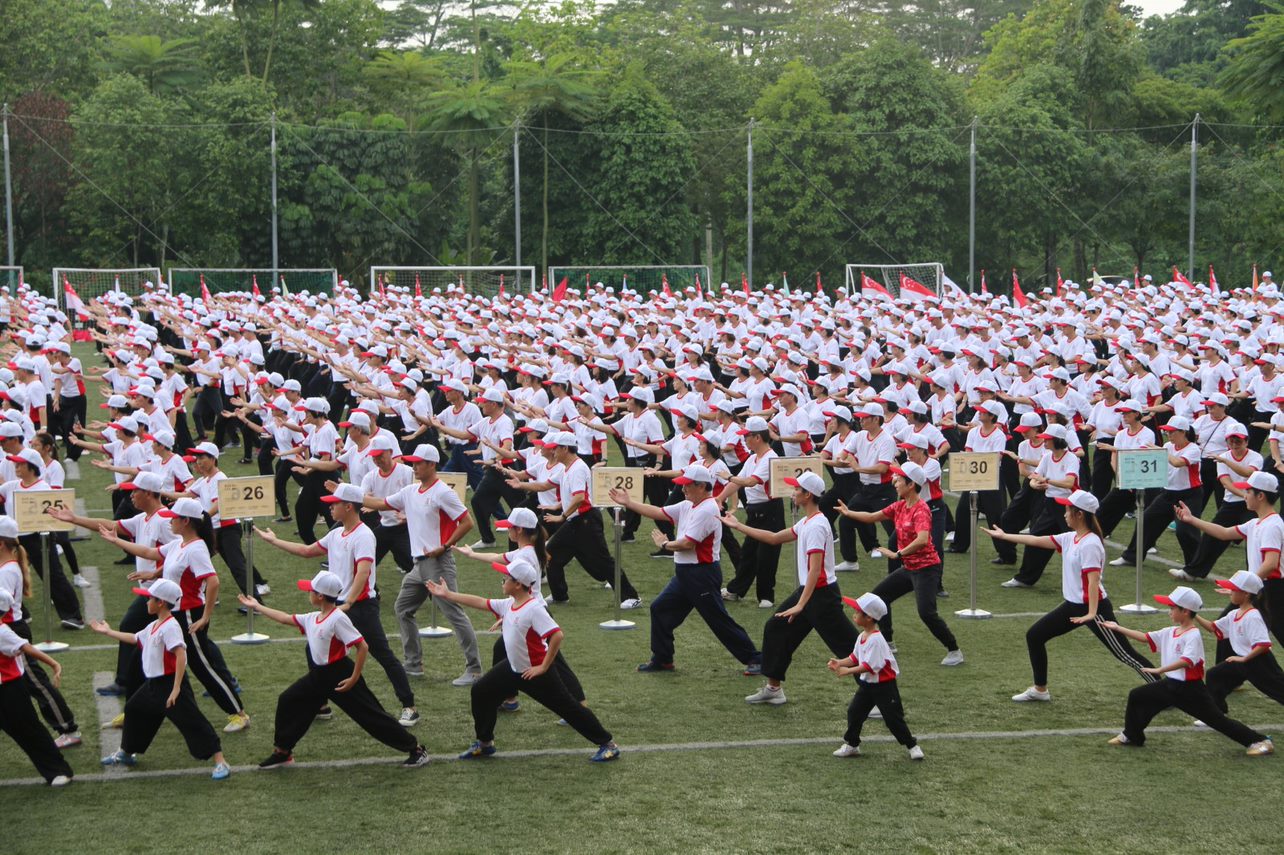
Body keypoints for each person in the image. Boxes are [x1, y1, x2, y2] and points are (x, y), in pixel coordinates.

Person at [255, 482, 419, 727]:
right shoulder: (335, 534)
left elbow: (363, 572)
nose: (330, 507)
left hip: (361, 607)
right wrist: (274, 541)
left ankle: (408, 705)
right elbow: (306, 551)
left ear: (349, 507)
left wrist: (348, 603)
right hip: (340, 604)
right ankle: (321, 704)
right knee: (314, 649)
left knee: (382, 654)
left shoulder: (364, 535)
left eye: (334, 504)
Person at [426, 560, 621, 763]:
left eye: (506, 578)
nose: (502, 581)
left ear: (518, 584)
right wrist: (448, 594)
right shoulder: (509, 603)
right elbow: (480, 602)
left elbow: (557, 635)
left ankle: (608, 744)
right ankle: (485, 743)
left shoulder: (534, 609)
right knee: (480, 691)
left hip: (536, 674)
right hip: (512, 668)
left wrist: (544, 666)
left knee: (569, 708)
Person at [238, 571, 429, 769]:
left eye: (311, 590)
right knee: (288, 700)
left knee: (371, 716)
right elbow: (285, 618)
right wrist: (257, 606)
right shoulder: (313, 617)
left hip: (340, 676)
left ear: (320, 596)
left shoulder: (338, 619)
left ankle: (416, 749)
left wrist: (354, 677)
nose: (308, 593)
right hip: (319, 676)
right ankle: (283, 752)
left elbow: (362, 646)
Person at [982, 490, 1155, 702]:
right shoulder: (1071, 537)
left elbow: (1092, 581)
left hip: (1094, 608)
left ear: (1079, 514)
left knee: (1125, 654)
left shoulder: (1090, 544)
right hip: (1073, 606)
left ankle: (1164, 690)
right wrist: (1004, 536)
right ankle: (1040, 689)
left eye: (1067, 510)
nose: (1064, 514)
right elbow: (1037, 540)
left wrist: (1092, 613)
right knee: (1035, 636)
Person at [98, 497, 250, 733]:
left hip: (188, 614)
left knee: (202, 666)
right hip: (172, 612)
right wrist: (117, 540)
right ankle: (132, 712)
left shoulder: (196, 548)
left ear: (186, 521)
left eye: (174, 519)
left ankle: (238, 713)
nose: (170, 522)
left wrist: (205, 617)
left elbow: (213, 581)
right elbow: (149, 551)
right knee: (143, 661)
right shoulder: (179, 543)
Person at [610, 464, 762, 674]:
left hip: (701, 574)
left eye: (687, 486)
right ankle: (663, 659)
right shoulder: (688, 505)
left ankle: (756, 658)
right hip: (686, 574)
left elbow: (687, 544)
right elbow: (659, 512)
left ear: (701, 486)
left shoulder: (708, 509)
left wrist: (664, 545)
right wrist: (629, 503)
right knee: (660, 609)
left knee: (718, 620)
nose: (683, 489)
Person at [726, 471, 860, 706]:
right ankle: (774, 688)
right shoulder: (807, 521)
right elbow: (774, 537)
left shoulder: (817, 525)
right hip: (809, 593)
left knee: (850, 647)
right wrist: (738, 526)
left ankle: (879, 695)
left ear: (808, 495)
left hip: (821, 596)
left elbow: (815, 571)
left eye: (796, 489)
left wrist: (800, 604)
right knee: (776, 628)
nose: (793, 492)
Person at [358, 442, 482, 686]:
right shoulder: (410, 492)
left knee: (454, 614)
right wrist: (346, 493)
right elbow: (381, 504)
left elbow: (467, 522)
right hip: (419, 566)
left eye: (418, 463)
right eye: (412, 462)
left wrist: (444, 546)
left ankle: (475, 669)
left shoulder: (442, 492)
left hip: (438, 563)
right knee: (403, 608)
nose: (413, 466)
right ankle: (413, 664)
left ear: (432, 464)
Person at [46, 471, 176, 701]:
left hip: (165, 592)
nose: (131, 497)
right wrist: (74, 519)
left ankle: (126, 682)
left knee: (133, 627)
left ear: (148, 493)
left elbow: (179, 553)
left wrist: (155, 572)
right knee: (169, 640)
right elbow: (110, 524)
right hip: (153, 591)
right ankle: (136, 682)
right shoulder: (144, 518)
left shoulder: (165, 520)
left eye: (134, 492)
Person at [1101, 586, 1274, 756]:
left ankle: (1260, 741)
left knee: (1218, 721)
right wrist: (1117, 628)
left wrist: (1160, 669)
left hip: (1191, 690)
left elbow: (1187, 661)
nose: (1169, 611)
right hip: (1170, 685)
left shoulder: (1193, 635)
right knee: (1138, 696)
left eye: (1172, 608)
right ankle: (1131, 736)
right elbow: (1145, 637)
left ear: (1185, 612)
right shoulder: (1170, 631)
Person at [93, 579, 231, 780]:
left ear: (161, 603)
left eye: (149, 598)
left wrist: (176, 689)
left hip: (169, 684)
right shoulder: (155, 625)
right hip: (154, 684)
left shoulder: (170, 627)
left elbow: (181, 655)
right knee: (133, 709)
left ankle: (221, 762)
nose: (146, 601)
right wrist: (108, 632)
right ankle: (127, 752)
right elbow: (135, 638)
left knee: (192, 721)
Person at [836, 462, 964, 666]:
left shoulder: (921, 509)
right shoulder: (900, 506)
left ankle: (954, 650)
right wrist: (848, 513)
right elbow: (871, 517)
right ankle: (887, 640)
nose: (894, 481)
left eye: (899, 479)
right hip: (910, 567)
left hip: (926, 569)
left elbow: (922, 539)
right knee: (878, 598)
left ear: (911, 484)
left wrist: (898, 554)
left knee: (927, 613)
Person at [506, 431, 642, 608]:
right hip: (576, 522)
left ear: (565, 449)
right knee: (551, 555)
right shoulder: (566, 468)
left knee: (603, 561)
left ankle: (631, 597)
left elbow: (579, 498)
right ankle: (559, 595)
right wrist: (521, 484)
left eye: (556, 449)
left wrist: (561, 516)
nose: (553, 452)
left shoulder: (578, 468)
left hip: (586, 521)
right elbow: (546, 484)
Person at [1174, 471, 1284, 645]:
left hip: (1271, 589)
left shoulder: (1272, 526)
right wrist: (1192, 519)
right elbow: (1224, 533)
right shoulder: (1255, 523)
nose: (1245, 495)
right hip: (1258, 587)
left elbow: (1271, 564)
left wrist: (1245, 586)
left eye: (1248, 491)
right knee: (1227, 631)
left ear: (1261, 496)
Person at [826, 592, 924, 761]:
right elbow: (855, 658)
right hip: (868, 686)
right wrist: (840, 663)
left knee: (893, 719)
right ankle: (852, 744)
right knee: (854, 712)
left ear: (869, 618)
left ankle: (912, 745)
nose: (854, 614)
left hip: (884, 687)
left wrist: (847, 671)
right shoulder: (862, 637)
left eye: (858, 612)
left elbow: (870, 666)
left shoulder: (876, 640)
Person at [0, 587, 74, 786]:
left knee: (29, 730)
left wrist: (54, 664)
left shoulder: (2, 632)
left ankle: (59, 770)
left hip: (9, 690)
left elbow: (26, 648)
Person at [1197, 570, 1284, 716]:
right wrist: (1193, 614)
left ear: (1246, 594)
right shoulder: (1234, 614)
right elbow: (1213, 627)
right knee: (1214, 675)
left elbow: (1263, 645)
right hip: (1243, 661)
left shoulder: (1253, 616)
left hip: (1259, 663)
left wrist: (1244, 659)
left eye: (1233, 589)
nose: (1230, 592)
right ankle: (1217, 714)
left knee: (1279, 691)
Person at [721, 416, 783, 608]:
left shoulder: (770, 458)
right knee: (749, 552)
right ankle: (736, 589)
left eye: (747, 436)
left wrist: (729, 476)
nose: (744, 440)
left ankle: (766, 596)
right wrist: (719, 498)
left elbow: (750, 481)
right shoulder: (752, 458)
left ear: (757, 437)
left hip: (770, 511)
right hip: (755, 512)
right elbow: (738, 480)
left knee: (767, 555)